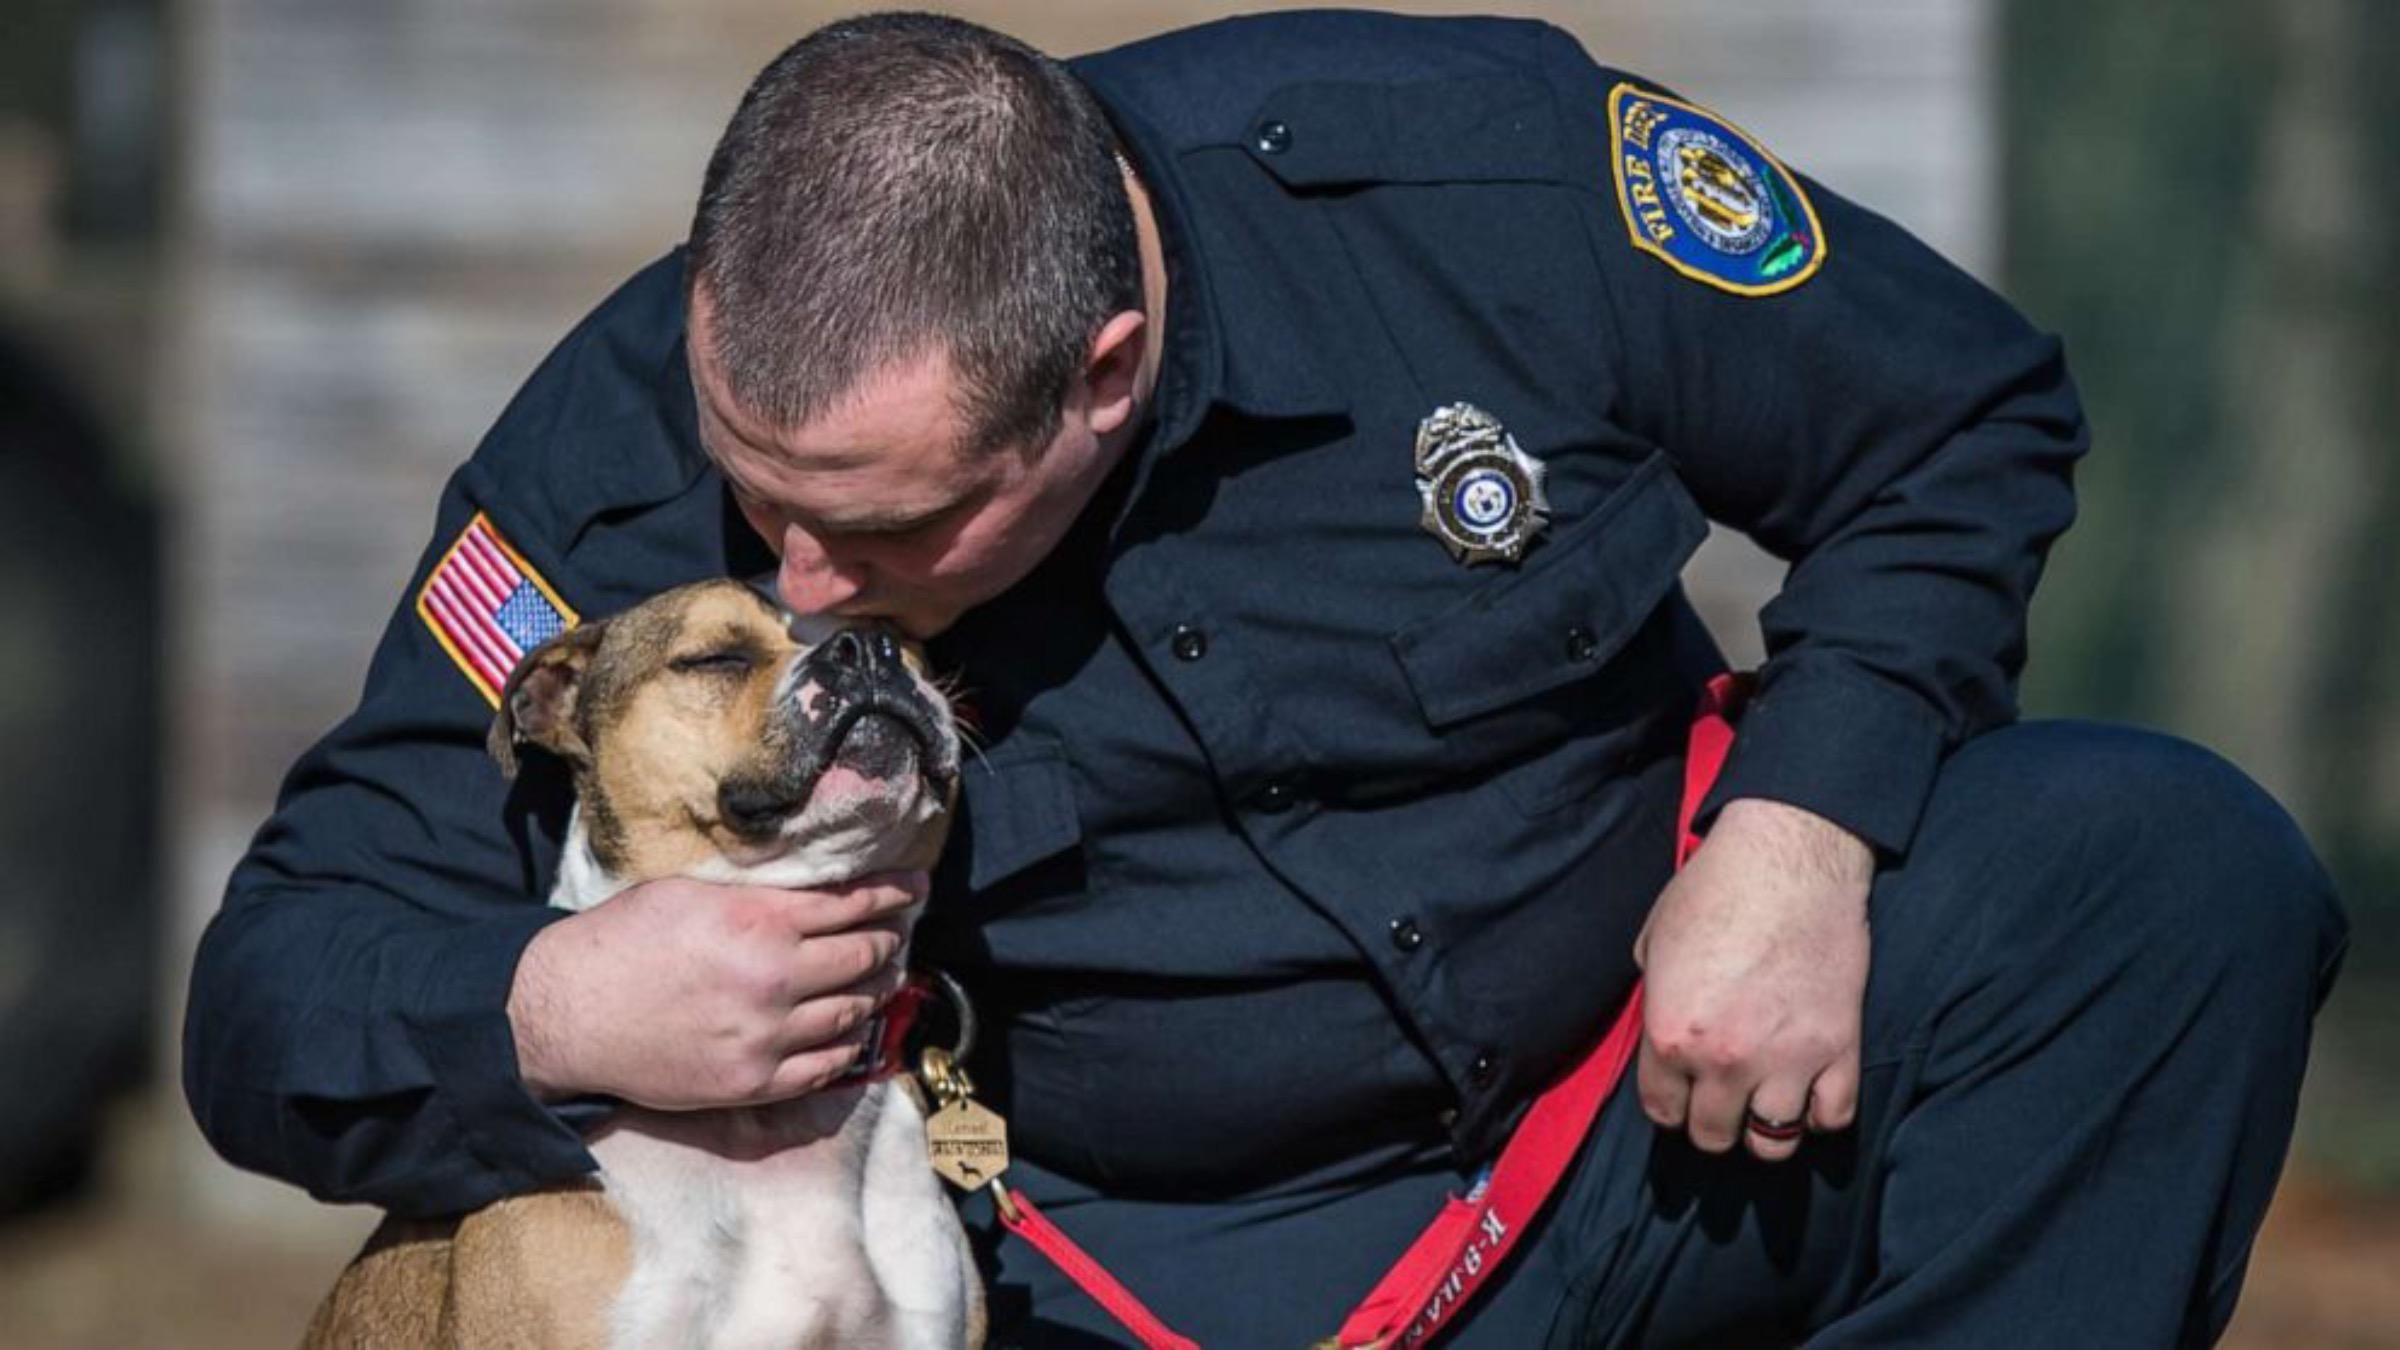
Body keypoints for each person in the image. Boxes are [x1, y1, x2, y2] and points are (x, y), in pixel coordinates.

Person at [185, 12, 2346, 1346]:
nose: (806, 578)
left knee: (2155, 872)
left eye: (893, 530)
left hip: (1652, 1134)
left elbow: (1956, 419)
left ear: (1101, 376)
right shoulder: (623, 443)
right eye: (759, 503)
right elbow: (276, 987)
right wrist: (555, 1016)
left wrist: (1801, 826)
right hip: (1104, 1285)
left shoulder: (1480, 184)